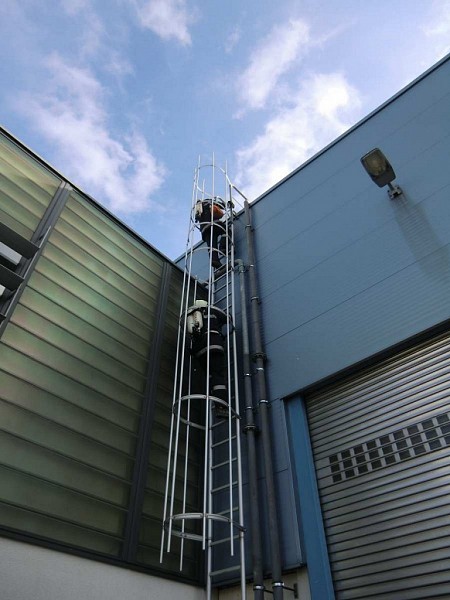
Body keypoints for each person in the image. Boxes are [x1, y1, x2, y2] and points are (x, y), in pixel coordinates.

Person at [186, 300, 229, 418]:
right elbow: (228, 318)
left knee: (209, 376)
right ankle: (221, 407)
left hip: (199, 352)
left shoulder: (191, 315)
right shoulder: (212, 310)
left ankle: (211, 400)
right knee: (217, 375)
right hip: (214, 345)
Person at [194, 197, 229, 269]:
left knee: (212, 245)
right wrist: (228, 205)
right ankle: (223, 246)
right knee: (227, 231)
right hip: (213, 223)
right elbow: (222, 206)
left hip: (204, 229)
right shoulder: (209, 202)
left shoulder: (198, 208)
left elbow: (197, 218)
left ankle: (215, 260)